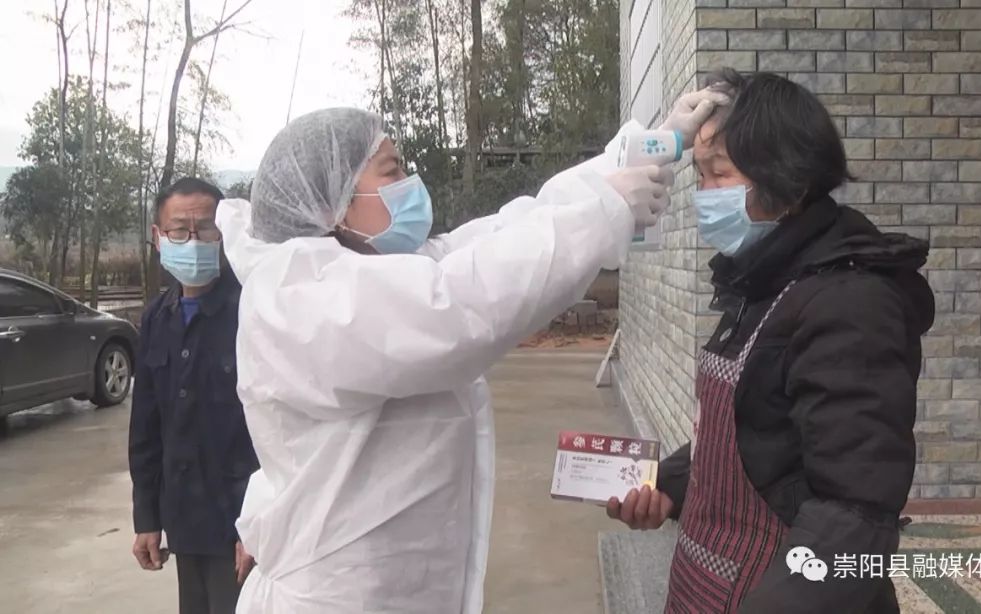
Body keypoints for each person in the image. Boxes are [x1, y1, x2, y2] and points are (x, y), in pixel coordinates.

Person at [213, 90, 725, 613]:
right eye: (392, 171)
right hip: (338, 597)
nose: (410, 182)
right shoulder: (296, 296)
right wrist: (604, 211)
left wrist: (646, 148)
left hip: (388, 587)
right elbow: (460, 305)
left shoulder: (371, 270)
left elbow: (505, 230)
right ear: (333, 204)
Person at [606, 69, 935, 613]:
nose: (705, 195)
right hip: (707, 586)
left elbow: (854, 514)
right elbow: (753, 434)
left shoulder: (850, 304)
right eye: (701, 175)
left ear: (791, 181)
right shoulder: (760, 281)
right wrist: (665, 483)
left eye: (720, 174)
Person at [129, 177, 259, 614]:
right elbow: (146, 429)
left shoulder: (253, 310)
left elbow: (278, 429)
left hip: (241, 525)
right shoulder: (157, 318)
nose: (193, 241)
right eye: (179, 231)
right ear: (158, 237)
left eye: (205, 229)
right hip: (185, 522)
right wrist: (147, 517)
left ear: (225, 233)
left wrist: (258, 522)